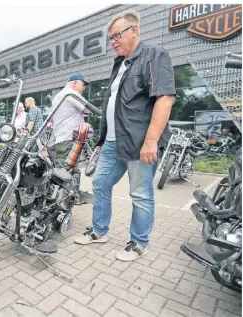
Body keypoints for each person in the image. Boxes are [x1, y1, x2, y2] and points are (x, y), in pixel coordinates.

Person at [74, 10, 176, 262]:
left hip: (139, 142)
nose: (113, 42)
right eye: (110, 38)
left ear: (134, 30)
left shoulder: (153, 55)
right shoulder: (119, 64)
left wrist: (151, 141)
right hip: (112, 142)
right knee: (99, 183)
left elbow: (165, 98)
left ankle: (139, 242)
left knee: (140, 194)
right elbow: (114, 104)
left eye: (116, 35)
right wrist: (101, 142)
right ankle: (99, 231)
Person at [50, 73, 94, 205]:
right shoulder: (71, 94)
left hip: (60, 138)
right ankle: (62, 204)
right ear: (74, 83)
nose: (83, 88)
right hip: (69, 138)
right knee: (66, 172)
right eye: (82, 84)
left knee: (65, 170)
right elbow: (88, 110)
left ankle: (68, 198)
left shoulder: (58, 96)